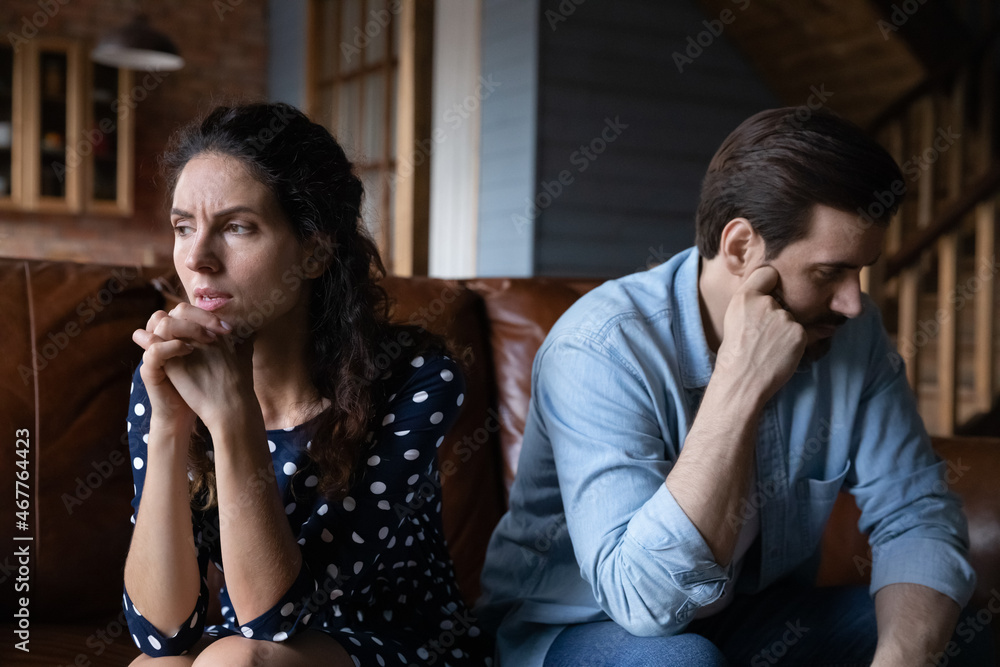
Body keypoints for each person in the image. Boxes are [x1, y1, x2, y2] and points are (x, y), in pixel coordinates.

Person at [477, 108, 991, 666]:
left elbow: (915, 512)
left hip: (749, 614)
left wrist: (902, 660)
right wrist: (740, 382)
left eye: (861, 271)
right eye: (828, 273)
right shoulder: (600, 347)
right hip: (579, 629)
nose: (852, 302)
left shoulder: (851, 333)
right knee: (679, 662)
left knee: (964, 633)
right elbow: (643, 604)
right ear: (743, 247)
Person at [123, 102, 488, 666]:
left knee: (236, 660)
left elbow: (277, 619)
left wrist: (231, 415)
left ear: (314, 251)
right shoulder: (168, 377)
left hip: (401, 645)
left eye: (237, 227)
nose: (196, 259)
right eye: (182, 227)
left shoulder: (415, 379)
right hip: (244, 641)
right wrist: (169, 423)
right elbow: (160, 633)